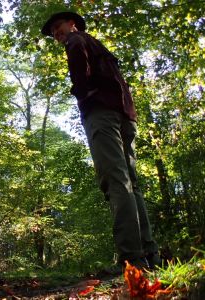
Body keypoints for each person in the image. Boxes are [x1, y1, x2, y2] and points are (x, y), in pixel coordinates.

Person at [40, 11, 161, 270]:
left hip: (102, 115)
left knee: (117, 182)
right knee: (131, 183)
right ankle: (150, 255)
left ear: (72, 24)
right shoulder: (97, 44)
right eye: (52, 33)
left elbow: (80, 77)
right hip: (126, 116)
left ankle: (131, 260)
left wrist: (81, 92)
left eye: (57, 27)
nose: (56, 34)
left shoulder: (76, 41)